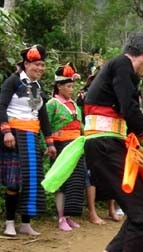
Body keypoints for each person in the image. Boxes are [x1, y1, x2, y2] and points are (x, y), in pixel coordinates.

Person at [83, 33, 143, 252]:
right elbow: (130, 110)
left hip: (110, 145)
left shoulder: (115, 68)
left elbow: (125, 113)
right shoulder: (122, 65)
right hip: (106, 146)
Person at [0, 45, 57, 236]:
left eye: (43, 65)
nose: (40, 68)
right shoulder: (12, 82)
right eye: (37, 64)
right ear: (26, 63)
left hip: (32, 137)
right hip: (14, 135)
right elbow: (1, 107)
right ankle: (9, 223)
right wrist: (6, 132)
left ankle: (26, 223)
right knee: (14, 182)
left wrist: (50, 142)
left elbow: (43, 117)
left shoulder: (38, 87)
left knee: (32, 179)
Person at [76, 73, 124, 225]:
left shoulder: (111, 95)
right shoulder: (85, 95)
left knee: (111, 174)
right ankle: (92, 212)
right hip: (92, 137)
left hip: (110, 137)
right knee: (91, 177)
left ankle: (111, 209)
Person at [46, 63, 84, 231]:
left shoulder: (74, 104)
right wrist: (48, 145)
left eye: (72, 86)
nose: (71, 89)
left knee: (73, 181)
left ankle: (68, 216)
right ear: (58, 86)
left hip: (76, 145)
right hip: (60, 145)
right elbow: (45, 126)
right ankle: (61, 217)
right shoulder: (52, 104)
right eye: (68, 86)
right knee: (62, 181)